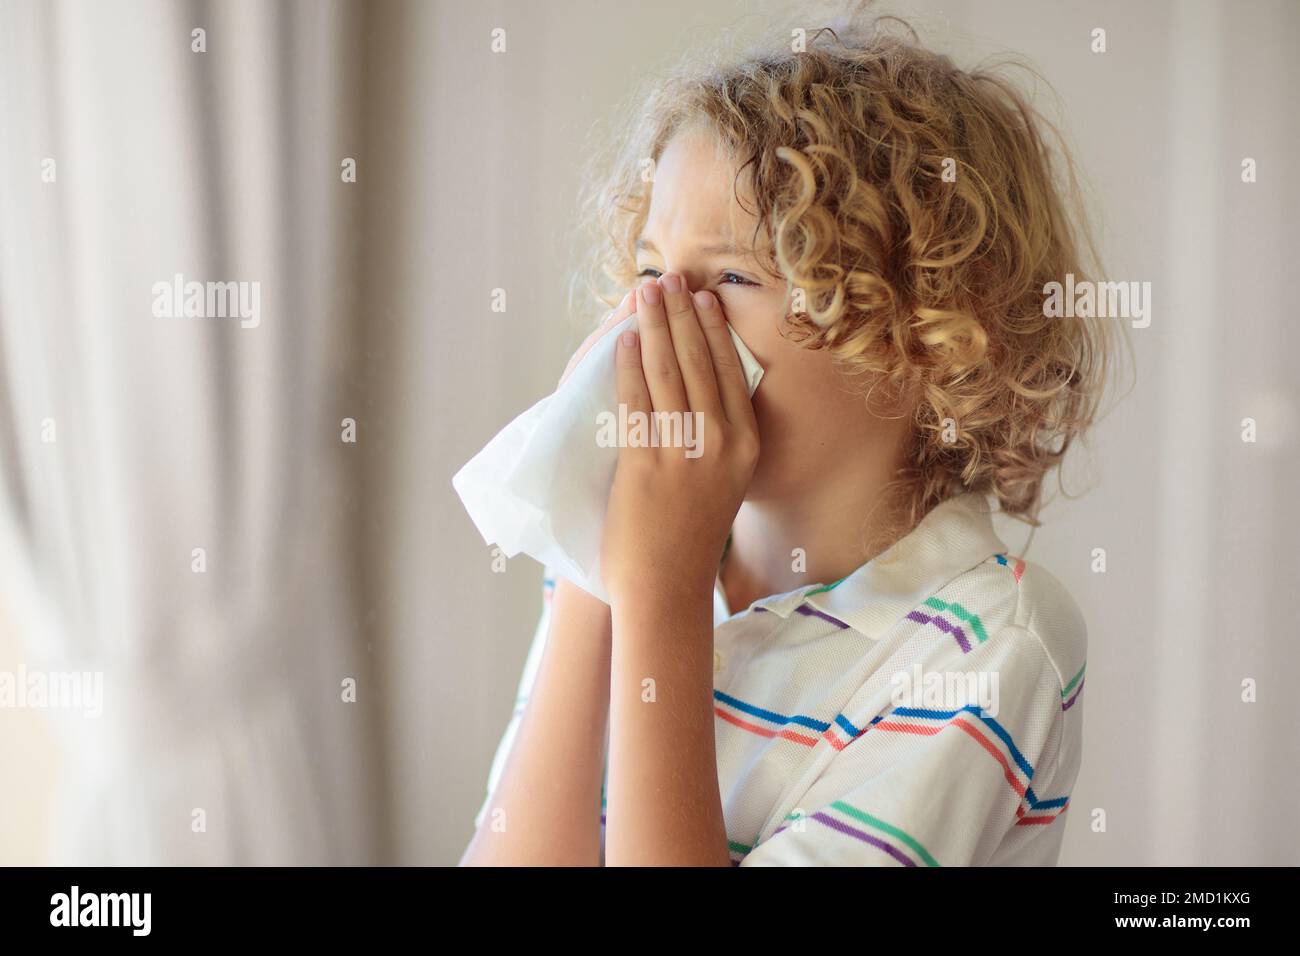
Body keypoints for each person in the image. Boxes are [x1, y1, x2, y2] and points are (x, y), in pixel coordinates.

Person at [460, 13, 1114, 866]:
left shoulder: (987, 645)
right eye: (652, 272)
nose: (657, 319)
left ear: (927, 335)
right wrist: (594, 555)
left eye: (734, 276)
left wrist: (660, 596)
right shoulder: (613, 563)